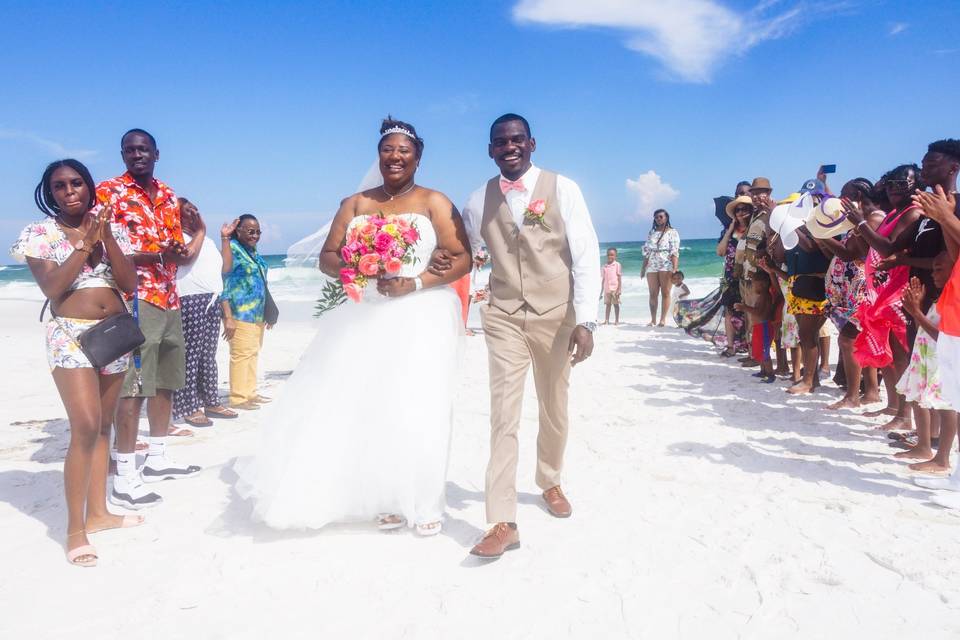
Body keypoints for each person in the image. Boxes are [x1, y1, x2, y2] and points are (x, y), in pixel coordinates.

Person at [236, 117, 471, 535]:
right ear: (378, 155)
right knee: (373, 403)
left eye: (404, 150)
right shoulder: (355, 204)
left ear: (418, 156)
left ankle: (424, 500)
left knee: (419, 404)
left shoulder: (435, 202)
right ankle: (386, 499)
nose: (395, 157)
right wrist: (358, 267)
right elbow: (328, 255)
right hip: (364, 316)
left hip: (421, 315)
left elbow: (461, 257)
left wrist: (415, 282)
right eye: (387, 150)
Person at [439, 113, 600, 559]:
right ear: (490, 150)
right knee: (503, 414)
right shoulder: (476, 201)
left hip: (557, 313)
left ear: (531, 143)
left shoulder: (563, 188)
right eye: (499, 142)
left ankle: (549, 480)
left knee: (554, 405)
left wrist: (586, 320)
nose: (509, 147)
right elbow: (464, 255)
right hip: (504, 314)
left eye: (516, 140)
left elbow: (585, 253)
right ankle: (502, 521)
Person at [11, 159, 143, 566]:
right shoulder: (39, 234)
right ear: (49, 193)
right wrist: (85, 242)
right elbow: (53, 288)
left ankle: (100, 513)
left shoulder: (113, 228)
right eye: (59, 186)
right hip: (69, 335)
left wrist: (107, 239)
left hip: (114, 335)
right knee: (85, 425)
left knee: (103, 426)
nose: (69, 191)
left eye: (76, 183)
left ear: (89, 187)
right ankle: (75, 529)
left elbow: (128, 283)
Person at [97, 129, 203, 510]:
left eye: (143, 149)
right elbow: (105, 249)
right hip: (134, 298)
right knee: (134, 385)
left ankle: (157, 457)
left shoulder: (171, 195)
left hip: (170, 297)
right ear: (122, 154)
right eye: (130, 150)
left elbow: (181, 256)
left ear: (157, 153)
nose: (137, 154)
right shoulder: (108, 192)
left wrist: (198, 233)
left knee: (165, 381)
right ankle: (125, 475)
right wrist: (158, 257)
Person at [845, 165, 923, 428]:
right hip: (882, 288)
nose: (893, 187)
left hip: (899, 289)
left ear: (916, 183)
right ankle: (894, 407)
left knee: (902, 356)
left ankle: (904, 416)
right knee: (891, 356)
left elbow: (888, 247)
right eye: (890, 182)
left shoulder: (912, 212)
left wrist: (861, 224)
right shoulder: (894, 212)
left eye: (902, 182)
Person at [816, 179, 884, 409]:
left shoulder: (871, 220)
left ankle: (853, 396)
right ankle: (872, 391)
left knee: (848, 339)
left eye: (843, 196)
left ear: (856, 195)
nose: (839, 202)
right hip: (853, 289)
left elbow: (850, 254)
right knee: (860, 339)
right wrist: (823, 188)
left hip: (864, 290)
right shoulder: (858, 219)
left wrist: (820, 235)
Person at [171, 197, 236, 428]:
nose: (194, 213)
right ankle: (188, 406)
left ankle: (210, 401)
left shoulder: (204, 239)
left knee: (208, 356)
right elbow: (186, 257)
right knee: (190, 356)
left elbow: (225, 268)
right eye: (187, 211)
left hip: (212, 300)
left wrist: (225, 238)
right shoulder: (177, 238)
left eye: (195, 209)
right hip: (190, 300)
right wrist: (201, 232)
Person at [896, 264, 957, 474]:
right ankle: (923, 446)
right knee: (915, 397)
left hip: (940, 360)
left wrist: (916, 312)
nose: (933, 273)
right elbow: (923, 326)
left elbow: (944, 337)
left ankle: (942, 459)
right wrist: (917, 308)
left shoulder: (952, 301)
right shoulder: (940, 297)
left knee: (945, 406)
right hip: (924, 356)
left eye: (939, 268)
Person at [220, 214, 273, 410]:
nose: (255, 235)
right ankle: (239, 397)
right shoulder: (232, 249)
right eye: (250, 231)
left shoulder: (252, 251)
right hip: (239, 313)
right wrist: (228, 317)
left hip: (256, 314)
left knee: (252, 353)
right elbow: (223, 281)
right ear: (238, 231)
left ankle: (250, 392)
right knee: (241, 354)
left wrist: (268, 312)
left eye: (258, 231)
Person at [735, 270, 776, 382]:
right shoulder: (762, 295)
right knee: (759, 351)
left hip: (764, 327)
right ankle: (763, 371)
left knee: (764, 352)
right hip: (758, 327)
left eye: (754, 284)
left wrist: (744, 307)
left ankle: (770, 374)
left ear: (762, 285)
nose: (752, 287)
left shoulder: (765, 296)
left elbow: (759, 312)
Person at [641, 209, 680, 326]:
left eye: (661, 217)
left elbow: (674, 252)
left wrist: (675, 268)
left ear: (666, 218)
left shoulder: (672, 232)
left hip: (666, 264)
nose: (658, 219)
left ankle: (662, 319)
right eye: (656, 217)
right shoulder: (651, 233)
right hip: (652, 264)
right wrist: (643, 268)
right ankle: (653, 319)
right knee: (652, 293)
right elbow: (647, 252)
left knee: (665, 292)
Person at [601, 247, 622, 325]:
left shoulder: (617, 265)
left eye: (612, 255)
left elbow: (619, 278)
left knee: (616, 305)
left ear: (616, 256)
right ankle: (606, 320)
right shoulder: (604, 266)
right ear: (607, 255)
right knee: (607, 305)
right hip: (607, 289)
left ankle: (617, 320)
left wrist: (619, 289)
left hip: (615, 289)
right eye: (609, 255)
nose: (610, 256)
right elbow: (603, 279)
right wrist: (601, 290)